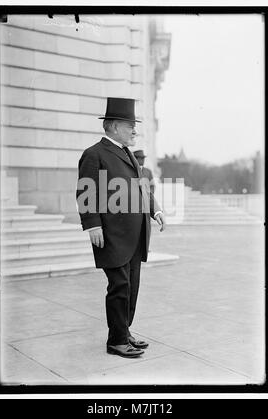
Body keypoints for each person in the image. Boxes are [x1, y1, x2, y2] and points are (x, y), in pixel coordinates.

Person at [76, 97, 166, 358]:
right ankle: (116, 341)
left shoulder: (128, 154)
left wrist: (155, 210)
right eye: (130, 126)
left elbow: (142, 188)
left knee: (131, 286)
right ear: (114, 127)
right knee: (119, 287)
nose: (134, 130)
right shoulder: (94, 154)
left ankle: (123, 332)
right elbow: (86, 192)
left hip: (134, 236)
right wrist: (92, 225)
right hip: (112, 235)